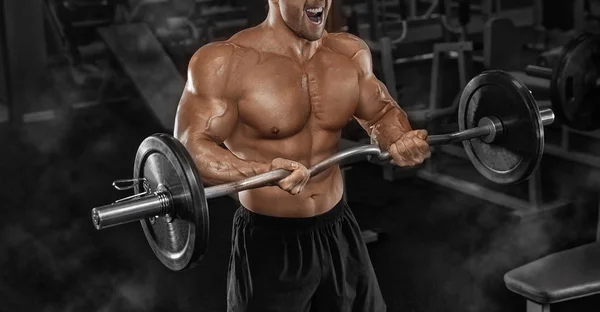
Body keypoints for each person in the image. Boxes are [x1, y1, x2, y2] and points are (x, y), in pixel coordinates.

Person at [174, 0, 431, 311]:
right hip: (271, 240)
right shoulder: (224, 63)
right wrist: (262, 171)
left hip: (339, 229)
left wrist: (399, 139)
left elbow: (381, 114)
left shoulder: (349, 53)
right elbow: (190, 147)